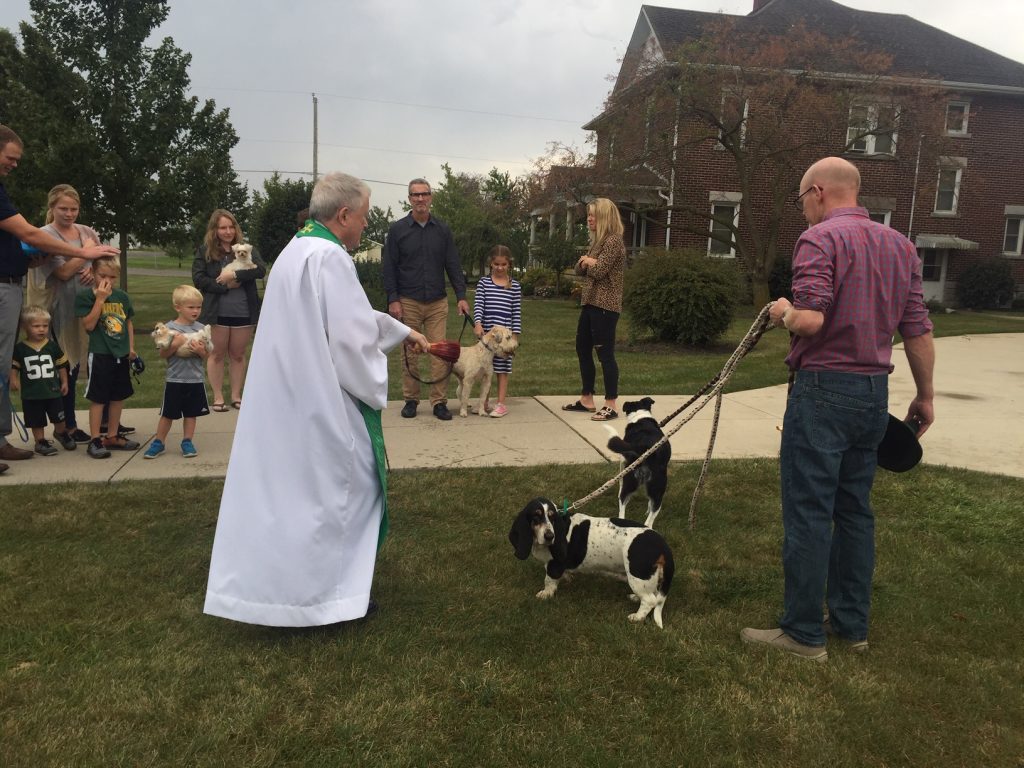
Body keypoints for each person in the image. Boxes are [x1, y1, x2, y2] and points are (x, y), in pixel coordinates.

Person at [204, 171, 429, 627]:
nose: (366, 226)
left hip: (287, 394)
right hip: (321, 397)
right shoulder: (330, 257)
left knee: (291, 496)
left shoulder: (296, 249)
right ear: (343, 214)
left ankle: (283, 594)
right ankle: (336, 599)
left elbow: (339, 319)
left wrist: (400, 330)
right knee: (351, 488)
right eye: (363, 217)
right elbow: (350, 341)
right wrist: (374, 377)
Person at [741, 157, 935, 662]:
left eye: (802, 198)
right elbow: (916, 329)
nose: (803, 208)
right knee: (854, 513)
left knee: (809, 511)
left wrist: (782, 311)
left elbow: (810, 319)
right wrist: (926, 394)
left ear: (819, 192)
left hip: (823, 391)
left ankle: (802, 634)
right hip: (873, 394)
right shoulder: (901, 247)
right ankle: (851, 626)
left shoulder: (819, 240)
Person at [0, 124, 118, 475]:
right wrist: (82, 253)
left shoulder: (83, 232)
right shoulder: (52, 232)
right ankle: (54, 428)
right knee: (40, 368)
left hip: (22, 283)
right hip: (41, 305)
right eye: (11, 158)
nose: (15, 165)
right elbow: (29, 234)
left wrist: (31, 259)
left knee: (63, 365)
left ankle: (4, 438)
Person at [382, 178, 469, 421]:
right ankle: (411, 399)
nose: (420, 199)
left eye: (425, 194)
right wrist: (393, 299)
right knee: (410, 353)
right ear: (409, 199)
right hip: (407, 300)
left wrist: (461, 296)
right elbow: (389, 267)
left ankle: (439, 402)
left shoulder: (442, 230)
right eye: (415, 195)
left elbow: (452, 264)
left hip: (436, 301)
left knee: (439, 352)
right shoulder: (398, 230)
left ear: (431, 197)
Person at [29, 184, 107, 444]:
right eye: (63, 208)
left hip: (86, 307)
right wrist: (84, 254)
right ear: (51, 208)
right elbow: (61, 273)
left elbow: (102, 262)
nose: (69, 213)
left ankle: (100, 421)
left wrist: (91, 269)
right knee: (64, 368)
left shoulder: (86, 232)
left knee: (89, 364)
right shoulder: (45, 234)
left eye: (74, 209)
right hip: (57, 310)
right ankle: (64, 426)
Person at [191, 209, 266, 412]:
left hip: (244, 311)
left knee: (238, 355)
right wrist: (224, 285)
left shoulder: (245, 249)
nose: (228, 231)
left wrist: (236, 275)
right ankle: (217, 397)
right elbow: (198, 279)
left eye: (231, 227)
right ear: (215, 230)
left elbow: (260, 270)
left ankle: (235, 395)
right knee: (216, 354)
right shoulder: (205, 251)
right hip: (217, 312)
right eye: (223, 227)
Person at [562, 197, 627, 422]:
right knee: (582, 348)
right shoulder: (597, 242)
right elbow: (578, 269)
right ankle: (586, 398)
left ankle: (611, 404)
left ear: (605, 218)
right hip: (590, 303)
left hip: (605, 306)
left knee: (605, 354)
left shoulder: (613, 241)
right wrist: (587, 262)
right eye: (588, 215)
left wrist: (589, 262)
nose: (589, 219)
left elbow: (599, 271)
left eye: (593, 215)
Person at [74, 256, 140, 459]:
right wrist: (100, 299)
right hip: (101, 353)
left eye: (112, 277)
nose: (107, 281)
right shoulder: (86, 297)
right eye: (103, 275)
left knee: (118, 396)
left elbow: (127, 322)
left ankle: (112, 435)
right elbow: (88, 325)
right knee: (99, 397)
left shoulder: (122, 297)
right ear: (93, 273)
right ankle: (95, 439)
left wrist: (130, 347)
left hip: (120, 354)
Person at [144, 285, 211, 460]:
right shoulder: (168, 328)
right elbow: (163, 353)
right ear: (177, 307)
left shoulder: (202, 329)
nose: (196, 311)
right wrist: (175, 343)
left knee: (191, 413)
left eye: (198, 307)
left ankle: (187, 441)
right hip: (175, 379)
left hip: (195, 379)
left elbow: (207, 355)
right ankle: (159, 442)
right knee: (168, 413)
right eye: (191, 307)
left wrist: (200, 351)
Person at [9, 305, 76, 455]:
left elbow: (61, 365)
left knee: (59, 417)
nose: (41, 329)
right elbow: (15, 366)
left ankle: (61, 433)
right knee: (36, 420)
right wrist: (13, 379)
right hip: (31, 393)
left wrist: (64, 382)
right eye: (36, 326)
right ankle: (40, 441)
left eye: (45, 326)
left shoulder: (52, 346)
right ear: (25, 327)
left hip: (52, 391)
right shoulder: (20, 348)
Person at [472, 245, 522, 418]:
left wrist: (515, 335)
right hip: (488, 337)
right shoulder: (484, 283)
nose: (500, 268)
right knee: (486, 368)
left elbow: (516, 312)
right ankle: (484, 401)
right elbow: (478, 305)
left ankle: (501, 403)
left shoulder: (514, 286)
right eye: (496, 264)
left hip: (505, 338)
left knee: (502, 369)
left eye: (503, 264)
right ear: (491, 264)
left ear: (509, 265)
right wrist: (478, 323)